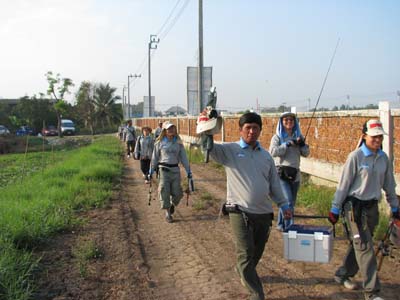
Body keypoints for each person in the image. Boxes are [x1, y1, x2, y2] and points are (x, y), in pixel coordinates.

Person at [208, 112, 291, 300]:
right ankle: (256, 294)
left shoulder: (266, 157)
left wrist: (284, 205)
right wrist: (207, 126)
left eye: (255, 128)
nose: (252, 131)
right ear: (240, 130)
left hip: (263, 213)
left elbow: (274, 184)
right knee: (246, 253)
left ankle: (243, 271)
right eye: (248, 128)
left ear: (260, 130)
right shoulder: (229, 150)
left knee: (255, 253)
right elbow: (209, 148)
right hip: (239, 211)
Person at [328, 119, 399, 300]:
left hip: (372, 208)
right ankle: (372, 293)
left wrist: (395, 206)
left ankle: (343, 273)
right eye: (373, 136)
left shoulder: (383, 158)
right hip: (354, 209)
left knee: (359, 245)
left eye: (379, 137)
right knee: (365, 248)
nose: (377, 140)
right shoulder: (356, 157)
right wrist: (335, 209)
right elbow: (343, 185)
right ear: (364, 136)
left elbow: (389, 185)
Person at [269, 112, 310, 231]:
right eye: (286, 120)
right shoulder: (277, 137)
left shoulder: (299, 136)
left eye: (291, 120)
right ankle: (290, 227)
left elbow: (306, 153)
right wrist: (287, 144)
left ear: (295, 122)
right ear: (281, 122)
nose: (289, 122)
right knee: (288, 201)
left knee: (289, 202)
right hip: (281, 174)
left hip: (295, 174)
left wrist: (302, 145)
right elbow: (273, 152)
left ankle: (281, 224)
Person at [149, 121, 191, 223]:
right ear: (165, 131)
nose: (171, 130)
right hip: (163, 170)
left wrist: (188, 170)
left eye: (173, 128)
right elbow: (154, 158)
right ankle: (168, 213)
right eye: (169, 129)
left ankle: (172, 204)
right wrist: (150, 171)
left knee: (178, 193)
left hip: (175, 170)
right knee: (164, 191)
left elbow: (184, 158)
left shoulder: (179, 143)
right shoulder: (159, 143)